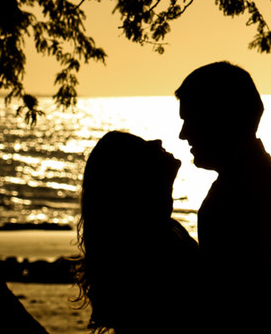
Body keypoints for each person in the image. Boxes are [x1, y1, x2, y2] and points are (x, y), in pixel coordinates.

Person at [176, 61, 271, 333]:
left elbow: (227, 311)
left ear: (218, 120)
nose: (183, 134)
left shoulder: (230, 200)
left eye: (190, 120)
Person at [75, 130, 201, 334]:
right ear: (135, 178)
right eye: (144, 148)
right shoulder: (151, 246)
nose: (157, 141)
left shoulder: (159, 231)